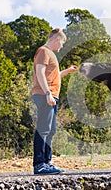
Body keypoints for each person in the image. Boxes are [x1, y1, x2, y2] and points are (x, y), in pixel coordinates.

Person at [32, 28, 78, 174]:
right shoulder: (44, 51)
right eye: (62, 43)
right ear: (56, 39)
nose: (62, 47)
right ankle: (39, 164)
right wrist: (47, 93)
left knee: (50, 130)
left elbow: (54, 75)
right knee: (43, 129)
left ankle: (47, 162)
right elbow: (39, 72)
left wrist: (68, 70)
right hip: (45, 95)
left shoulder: (49, 54)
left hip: (51, 96)